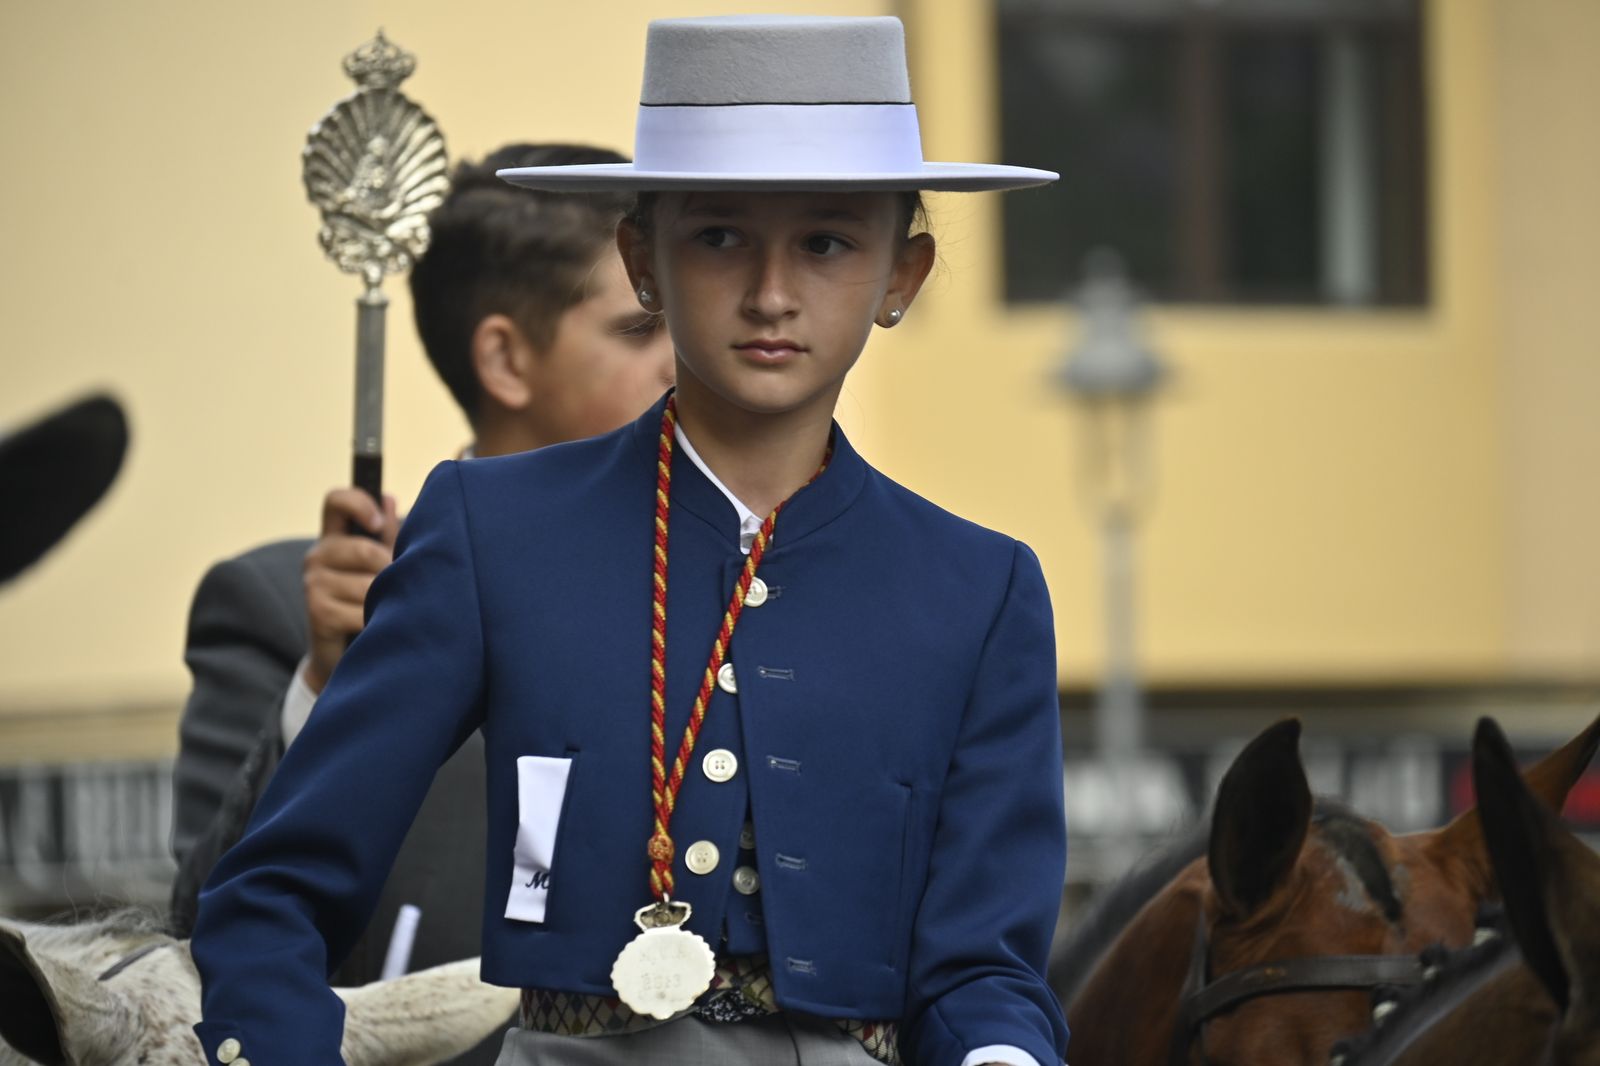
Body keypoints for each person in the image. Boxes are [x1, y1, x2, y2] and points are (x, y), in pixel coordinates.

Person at [189, 16, 1068, 1066]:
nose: (771, 292)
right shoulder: (496, 530)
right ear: (640, 258)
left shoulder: (978, 589)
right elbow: (271, 895)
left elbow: (983, 974)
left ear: (901, 277)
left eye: (826, 241)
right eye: (718, 236)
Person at [168, 143, 673, 1042]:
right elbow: (198, 936)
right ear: (506, 360)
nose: (688, 359)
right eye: (640, 328)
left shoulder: (738, 589)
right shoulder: (284, 612)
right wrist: (326, 681)